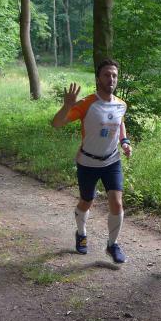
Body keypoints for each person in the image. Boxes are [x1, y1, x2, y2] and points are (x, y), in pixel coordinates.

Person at [51, 59, 131, 264]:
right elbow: (56, 124)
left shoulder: (121, 104)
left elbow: (120, 123)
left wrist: (125, 142)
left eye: (114, 75)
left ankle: (112, 245)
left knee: (117, 202)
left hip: (112, 161)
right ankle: (81, 233)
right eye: (107, 75)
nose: (111, 79)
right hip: (88, 162)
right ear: (98, 79)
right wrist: (66, 106)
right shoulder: (87, 104)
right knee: (86, 201)